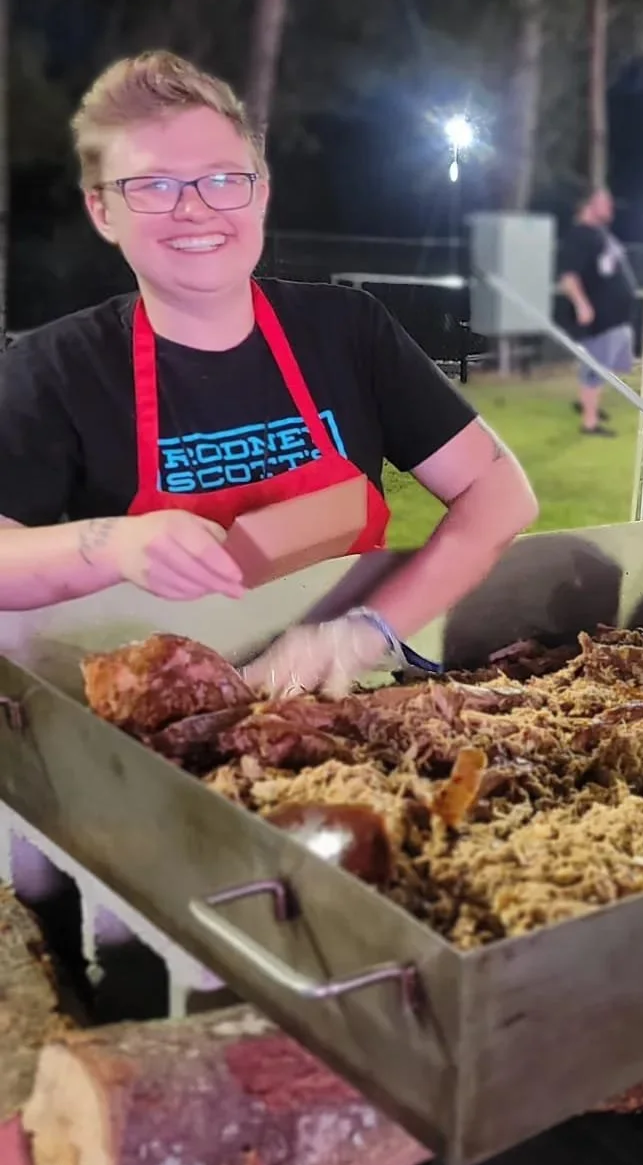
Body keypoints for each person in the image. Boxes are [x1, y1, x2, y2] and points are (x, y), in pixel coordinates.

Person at [0, 50, 538, 695]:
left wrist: (366, 632)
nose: (195, 209)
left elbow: (498, 491)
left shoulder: (346, 330)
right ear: (103, 212)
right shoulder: (55, 369)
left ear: (261, 194)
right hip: (155, 712)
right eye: (153, 184)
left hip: (344, 692)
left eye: (224, 178)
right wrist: (113, 543)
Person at [555, 187, 638, 437]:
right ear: (588, 205)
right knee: (596, 368)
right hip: (600, 317)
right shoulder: (579, 236)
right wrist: (582, 305)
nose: (611, 206)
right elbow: (568, 277)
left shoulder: (599, 233)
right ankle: (589, 423)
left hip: (616, 316)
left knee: (609, 366)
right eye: (605, 202)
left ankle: (588, 403)